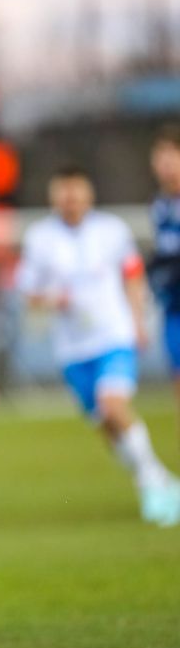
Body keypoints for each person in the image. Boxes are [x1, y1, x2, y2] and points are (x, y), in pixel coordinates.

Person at [18, 165, 180, 527]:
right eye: (64, 193)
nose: (70, 199)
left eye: (76, 192)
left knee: (113, 405)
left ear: (88, 195)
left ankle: (153, 483)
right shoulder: (40, 238)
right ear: (54, 197)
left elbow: (132, 274)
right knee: (108, 426)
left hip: (113, 335)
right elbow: (28, 293)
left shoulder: (112, 230)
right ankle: (156, 480)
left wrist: (137, 321)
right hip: (73, 349)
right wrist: (52, 299)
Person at [149, 124, 180, 443]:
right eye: (159, 159)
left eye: (171, 158)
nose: (165, 166)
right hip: (174, 308)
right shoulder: (160, 205)